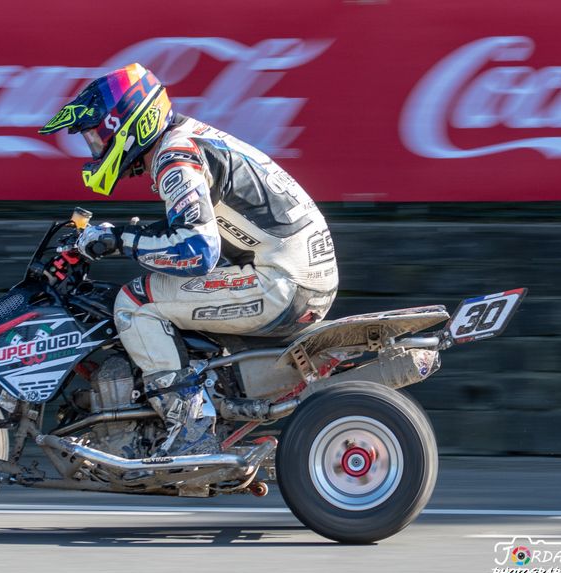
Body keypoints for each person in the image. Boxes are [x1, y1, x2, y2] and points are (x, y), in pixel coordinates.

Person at [39, 63, 338, 456]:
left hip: (283, 282)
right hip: (297, 276)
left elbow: (196, 251)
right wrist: (126, 237)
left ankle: (190, 427)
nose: (96, 150)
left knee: (136, 302)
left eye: (99, 137)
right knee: (161, 292)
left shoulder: (176, 157)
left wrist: (119, 241)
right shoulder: (190, 140)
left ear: (128, 123)